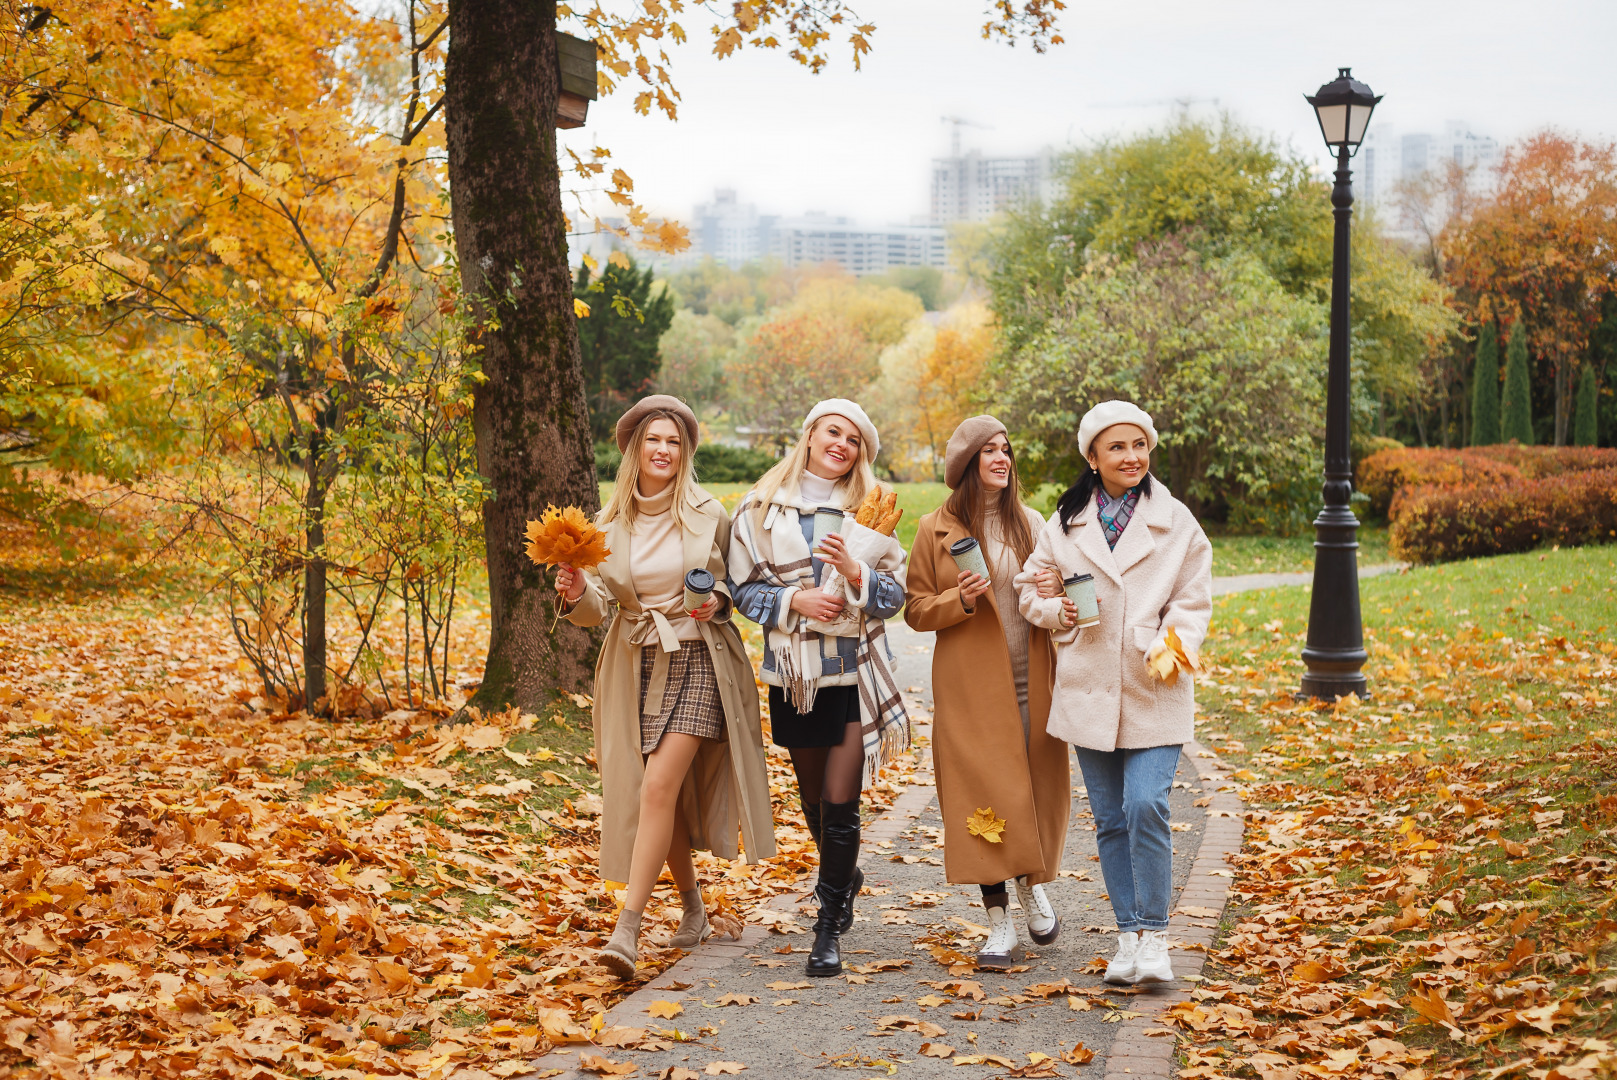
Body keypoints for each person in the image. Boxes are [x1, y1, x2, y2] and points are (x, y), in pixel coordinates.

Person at [555, 395, 776, 979]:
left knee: (657, 785)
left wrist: (718, 602)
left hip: (700, 658)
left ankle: (626, 929)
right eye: (653, 440)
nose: (663, 450)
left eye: (674, 442)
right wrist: (576, 588)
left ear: (686, 453)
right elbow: (597, 608)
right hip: (636, 663)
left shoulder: (709, 512)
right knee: (663, 796)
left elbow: (737, 585)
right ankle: (692, 908)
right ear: (633, 449)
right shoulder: (606, 525)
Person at [1016, 400, 1211, 986]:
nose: (1131, 456)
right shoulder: (1065, 522)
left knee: (1146, 803)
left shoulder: (1176, 521)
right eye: (1117, 447)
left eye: (1139, 446)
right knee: (1108, 819)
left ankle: (1155, 935)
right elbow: (1030, 592)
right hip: (1089, 689)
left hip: (1155, 687)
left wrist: (1168, 644)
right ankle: (1128, 936)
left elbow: (1194, 599)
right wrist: (1060, 612)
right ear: (1093, 458)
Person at [729, 399, 910, 977]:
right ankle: (843, 875)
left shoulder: (870, 513)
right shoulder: (759, 510)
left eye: (854, 440)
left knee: (841, 801)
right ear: (809, 436)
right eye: (834, 432)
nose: (842, 445)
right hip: (794, 673)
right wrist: (793, 601)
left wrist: (858, 574)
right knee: (813, 800)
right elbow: (743, 590)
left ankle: (827, 926)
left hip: (853, 669)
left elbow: (894, 596)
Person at [904, 416, 1070, 969]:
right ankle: (999, 920)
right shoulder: (935, 529)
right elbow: (916, 610)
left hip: (1035, 682)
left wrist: (1054, 591)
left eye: (1006, 450)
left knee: (1037, 789)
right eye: (989, 452)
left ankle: (1032, 886)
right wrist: (962, 599)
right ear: (968, 465)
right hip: (972, 691)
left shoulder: (1033, 523)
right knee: (984, 796)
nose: (1002, 459)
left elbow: (1053, 594)